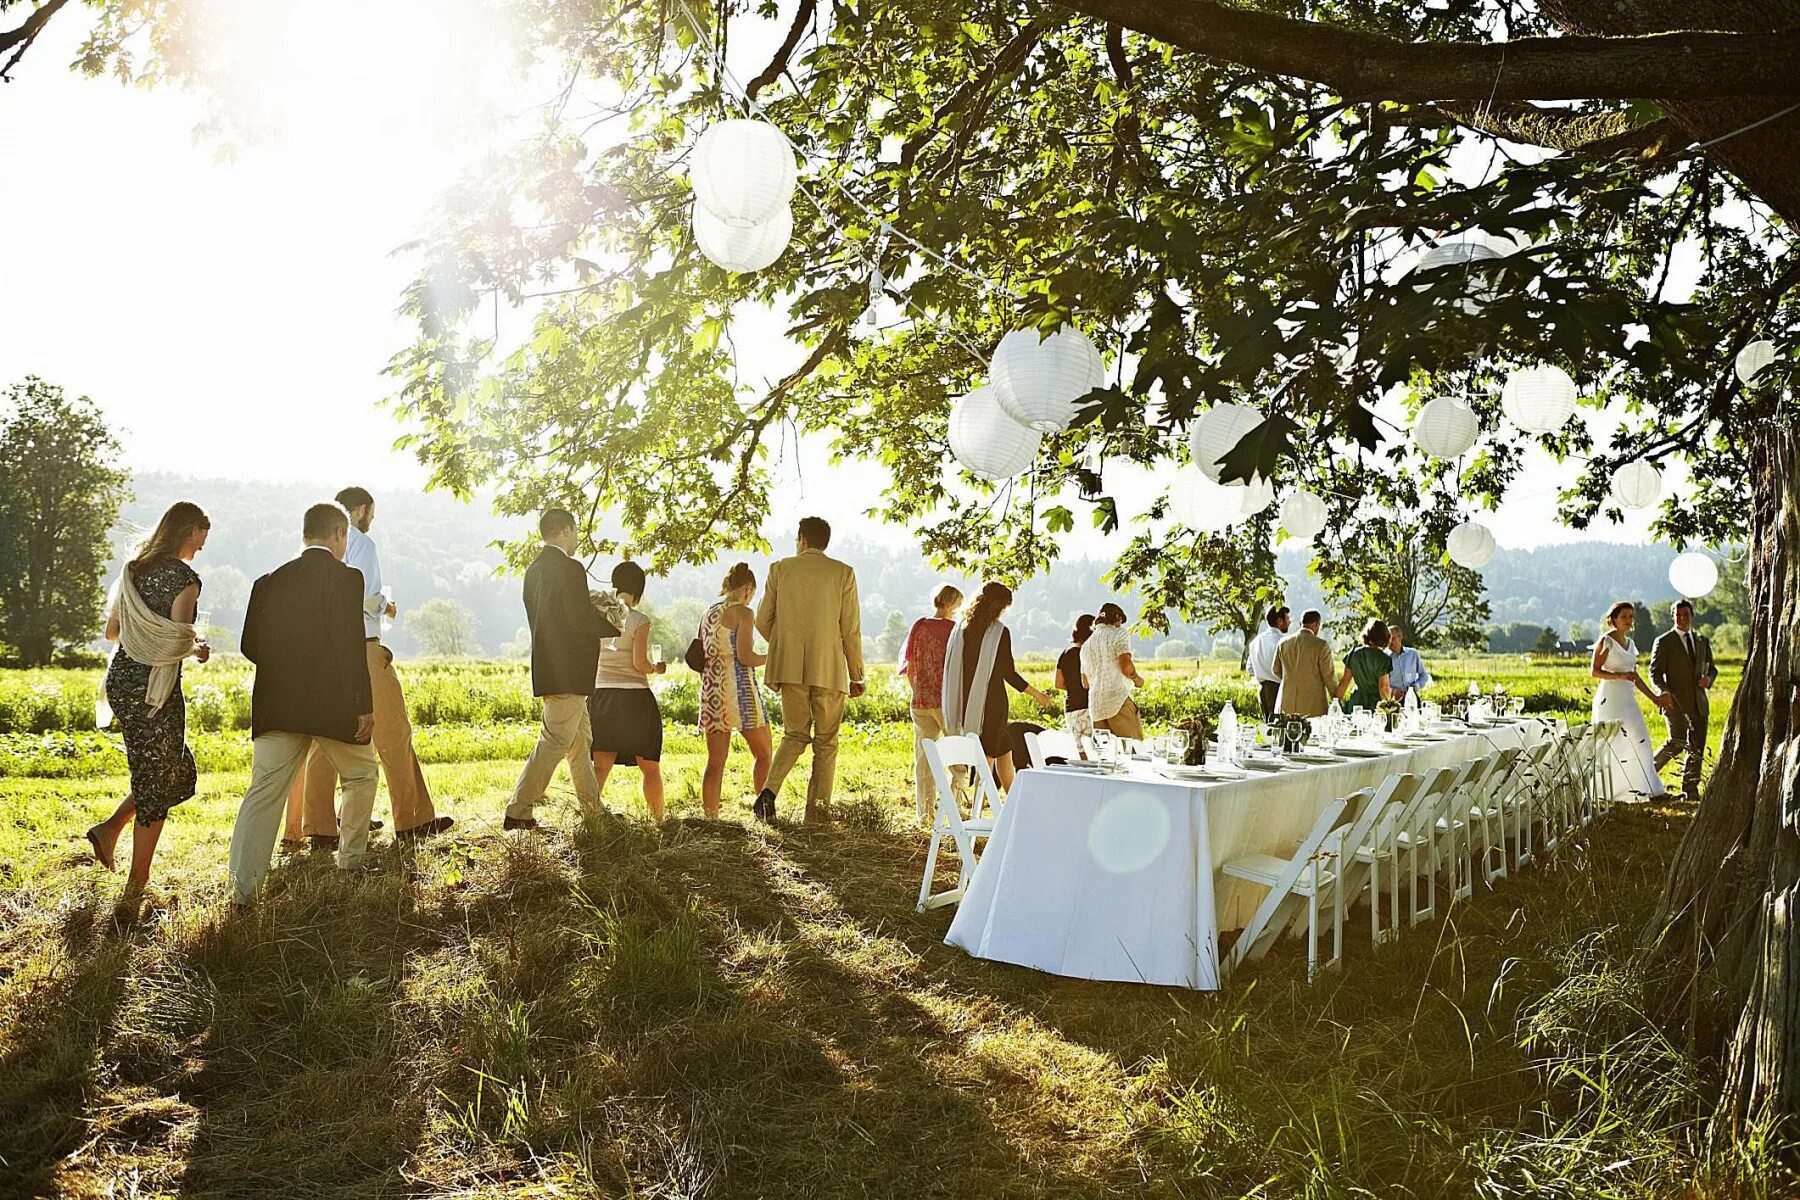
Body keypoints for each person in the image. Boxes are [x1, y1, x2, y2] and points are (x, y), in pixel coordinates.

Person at [227, 503, 380, 906]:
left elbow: (249, 645)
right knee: (362, 774)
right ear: (337, 535)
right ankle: (350, 863)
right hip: (333, 705)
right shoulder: (347, 579)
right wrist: (363, 704)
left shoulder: (267, 582)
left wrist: (286, 670)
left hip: (277, 702)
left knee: (263, 793)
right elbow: (350, 647)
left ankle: (242, 892)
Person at [282, 486, 451, 850]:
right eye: (370, 514)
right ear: (359, 511)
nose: (371, 521)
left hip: (324, 651)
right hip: (362, 645)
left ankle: (321, 827)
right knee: (394, 731)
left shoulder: (308, 555)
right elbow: (356, 594)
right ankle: (413, 819)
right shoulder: (361, 543)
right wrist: (384, 605)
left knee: (325, 738)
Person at [85, 502, 212, 897]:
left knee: (170, 772)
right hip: (154, 691)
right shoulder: (185, 579)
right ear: (190, 530)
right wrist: (195, 648)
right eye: (202, 538)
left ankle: (109, 829)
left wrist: (161, 638)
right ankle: (136, 885)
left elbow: (112, 632)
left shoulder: (134, 571)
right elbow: (176, 638)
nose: (203, 547)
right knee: (159, 778)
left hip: (122, 682)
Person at [507, 508, 617, 830]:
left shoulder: (533, 571)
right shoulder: (570, 569)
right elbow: (578, 618)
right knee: (554, 741)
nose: (578, 538)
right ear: (566, 529)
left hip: (548, 666)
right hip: (570, 669)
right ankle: (518, 809)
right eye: (577, 531)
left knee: (581, 740)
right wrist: (611, 622)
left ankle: (593, 810)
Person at [753, 516, 865, 824]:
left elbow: (762, 621)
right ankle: (816, 815)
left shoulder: (780, 569)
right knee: (826, 743)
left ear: (801, 538)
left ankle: (768, 794)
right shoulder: (843, 573)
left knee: (794, 735)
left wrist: (785, 645)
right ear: (825, 542)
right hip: (829, 669)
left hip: (790, 669)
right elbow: (850, 629)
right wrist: (856, 673)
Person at [942, 583, 1055, 790]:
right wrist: (1037, 694)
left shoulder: (960, 629)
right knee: (988, 754)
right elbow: (1008, 673)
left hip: (966, 700)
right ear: (997, 606)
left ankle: (1012, 800)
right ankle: (980, 801)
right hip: (992, 705)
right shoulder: (999, 632)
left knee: (1004, 752)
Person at [589, 561, 668, 819]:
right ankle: (657, 820)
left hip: (601, 696)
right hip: (634, 699)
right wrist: (656, 668)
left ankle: (589, 816)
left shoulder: (598, 617)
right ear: (639, 590)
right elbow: (639, 663)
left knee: (600, 766)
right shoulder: (638, 620)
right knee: (649, 766)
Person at [699, 563, 772, 819]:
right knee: (764, 754)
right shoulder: (744, 613)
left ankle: (711, 818)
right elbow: (746, 656)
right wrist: (772, 657)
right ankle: (764, 813)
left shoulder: (708, 612)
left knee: (715, 761)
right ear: (748, 588)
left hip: (711, 692)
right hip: (740, 691)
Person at [1590, 600, 1673, 800]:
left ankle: (1650, 789)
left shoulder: (1631, 644)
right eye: (1624, 616)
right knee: (1613, 742)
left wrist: (1655, 698)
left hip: (1628, 699)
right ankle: (1611, 792)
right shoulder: (1606, 641)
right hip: (1610, 699)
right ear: (1613, 620)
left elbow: (1635, 676)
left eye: (1630, 616)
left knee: (1640, 738)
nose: (1628, 620)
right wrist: (1620, 676)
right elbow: (1594, 672)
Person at [898, 585, 963, 822]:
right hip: (946, 702)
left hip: (921, 701)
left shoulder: (919, 625)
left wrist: (917, 691)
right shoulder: (955, 630)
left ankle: (924, 815)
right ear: (954, 604)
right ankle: (954, 807)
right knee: (958, 756)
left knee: (924, 760)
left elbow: (910, 665)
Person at [1650, 598, 1715, 802]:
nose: (1682, 618)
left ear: (1692, 616)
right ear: (1673, 617)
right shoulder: (1664, 642)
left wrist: (1709, 679)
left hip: (1699, 703)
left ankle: (1690, 790)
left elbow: (1712, 668)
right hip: (1674, 703)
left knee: (1696, 748)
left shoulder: (1702, 641)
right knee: (1677, 743)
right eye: (1678, 615)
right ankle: (1646, 777)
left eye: (1685, 614)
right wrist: (1663, 692)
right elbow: (1655, 673)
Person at [1080, 602, 1144, 740]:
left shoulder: (1086, 646)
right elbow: (1126, 667)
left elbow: (1085, 683)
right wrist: (1137, 680)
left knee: (1106, 756)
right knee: (1134, 751)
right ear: (1116, 617)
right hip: (1117, 702)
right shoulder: (1119, 633)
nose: (1121, 625)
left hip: (1096, 708)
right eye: (1121, 620)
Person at [1273, 609, 1337, 718]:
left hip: (1286, 702)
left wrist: (1291, 680)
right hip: (1313, 705)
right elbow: (1329, 677)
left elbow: (1275, 670)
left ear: (1300, 624)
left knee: (1286, 733)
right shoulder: (1321, 645)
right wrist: (1337, 699)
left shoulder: (1283, 643)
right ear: (1317, 624)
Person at [1055, 613, 1095, 744]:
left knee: (1078, 751)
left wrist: (1073, 687)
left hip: (1071, 708)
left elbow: (1058, 683)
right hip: (1088, 706)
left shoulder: (1065, 653)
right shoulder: (1088, 654)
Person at [1339, 619, 1395, 712]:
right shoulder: (1383, 659)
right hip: (1375, 705)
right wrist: (1389, 708)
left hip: (1356, 703)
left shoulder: (1353, 654)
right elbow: (1383, 688)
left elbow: (1344, 682)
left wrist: (1335, 703)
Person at [1245, 605, 1290, 720]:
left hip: (1262, 690)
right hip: (1278, 689)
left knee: (1268, 729)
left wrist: (1262, 672)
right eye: (1287, 619)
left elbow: (1249, 669)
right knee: (1279, 728)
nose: (1289, 622)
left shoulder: (1255, 642)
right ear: (1279, 621)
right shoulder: (1283, 641)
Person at [1386, 624, 1432, 704]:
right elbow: (1379, 683)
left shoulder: (1413, 654)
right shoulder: (1384, 658)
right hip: (1392, 701)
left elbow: (1424, 675)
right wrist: (1392, 691)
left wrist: (1416, 686)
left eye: (1392, 639)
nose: (1390, 643)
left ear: (1400, 637)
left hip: (1412, 698)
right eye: (1388, 640)